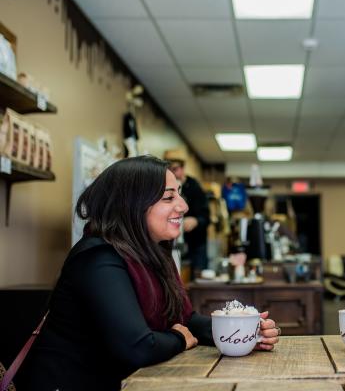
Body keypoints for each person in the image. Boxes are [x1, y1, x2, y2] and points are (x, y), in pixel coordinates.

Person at [17, 156, 280, 391]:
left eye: (179, 194)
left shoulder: (153, 254)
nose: (183, 206)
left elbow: (185, 319)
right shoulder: (98, 258)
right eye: (169, 197)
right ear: (131, 205)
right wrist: (178, 338)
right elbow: (138, 348)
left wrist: (242, 336)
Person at [164, 150, 210, 279]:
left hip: (195, 243)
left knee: (197, 279)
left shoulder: (194, 187)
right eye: (169, 169)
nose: (173, 173)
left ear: (183, 169)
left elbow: (206, 216)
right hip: (174, 243)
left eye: (175, 169)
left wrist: (196, 221)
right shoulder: (165, 187)